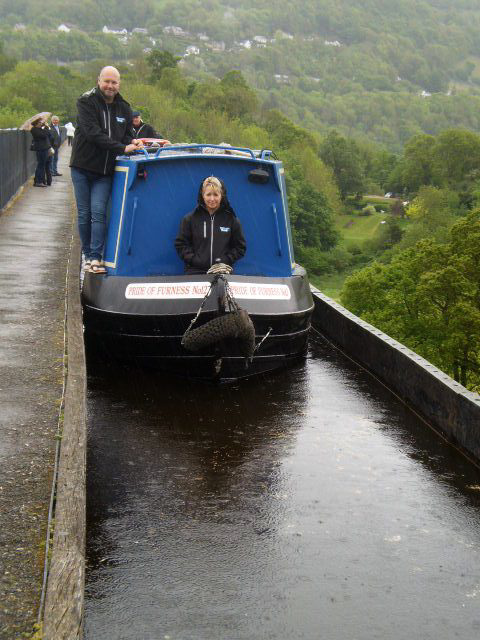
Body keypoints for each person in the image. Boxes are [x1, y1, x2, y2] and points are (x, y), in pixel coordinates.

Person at [70, 66, 143, 273]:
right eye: (107, 81)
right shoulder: (86, 101)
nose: (110, 86)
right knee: (85, 214)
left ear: (119, 84)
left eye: (114, 82)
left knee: (99, 212)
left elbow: (127, 136)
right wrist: (122, 148)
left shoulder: (124, 108)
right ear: (99, 81)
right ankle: (87, 255)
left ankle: (96, 257)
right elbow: (93, 133)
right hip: (83, 167)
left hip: (105, 171)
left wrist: (133, 142)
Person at [175, 176, 246, 274]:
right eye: (208, 194)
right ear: (203, 195)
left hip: (222, 272)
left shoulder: (232, 220)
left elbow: (240, 247)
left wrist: (225, 260)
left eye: (216, 195)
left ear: (221, 196)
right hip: (194, 271)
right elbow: (180, 244)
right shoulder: (189, 219)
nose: (212, 199)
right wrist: (194, 260)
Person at [30, 117, 51, 187]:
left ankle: (37, 180)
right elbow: (44, 135)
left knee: (41, 165)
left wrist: (44, 127)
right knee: (41, 165)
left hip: (43, 149)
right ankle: (39, 181)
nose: (41, 123)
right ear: (36, 123)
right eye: (40, 122)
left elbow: (47, 134)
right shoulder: (34, 130)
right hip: (40, 149)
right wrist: (46, 128)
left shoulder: (38, 129)